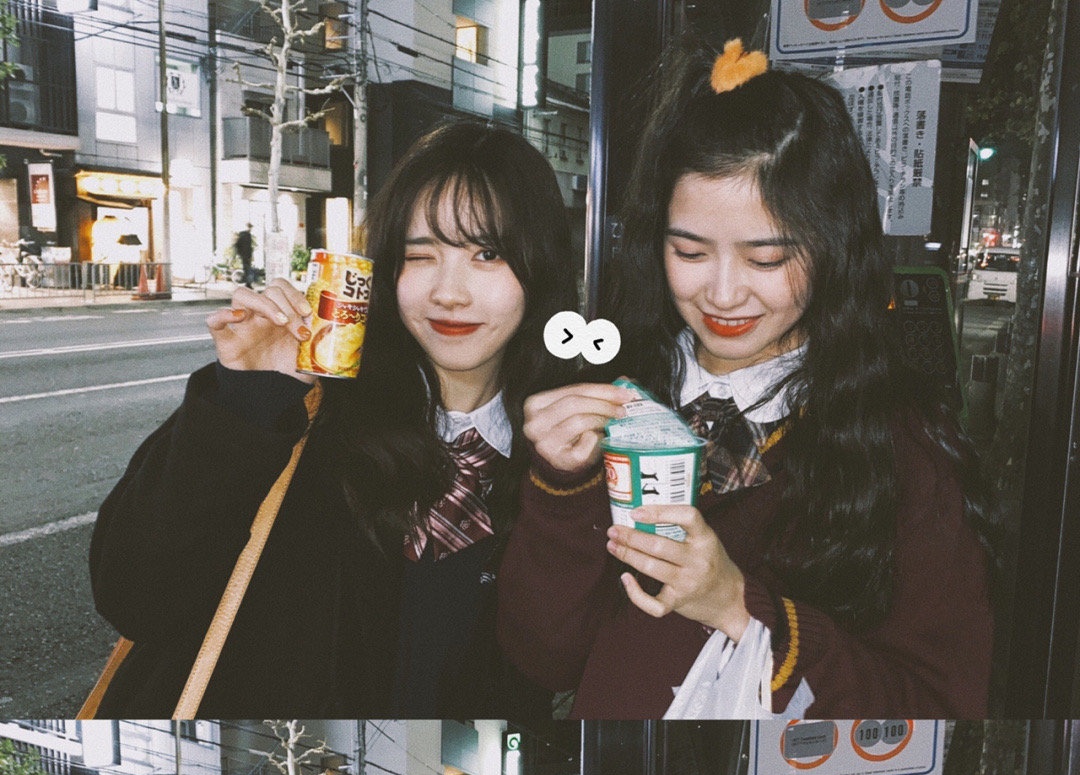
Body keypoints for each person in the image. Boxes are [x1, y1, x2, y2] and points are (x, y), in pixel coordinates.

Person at [497, 37, 994, 718]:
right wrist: (561, 488)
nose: (724, 294)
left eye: (767, 260)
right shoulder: (617, 393)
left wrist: (738, 606)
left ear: (832, 248)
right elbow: (543, 658)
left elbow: (943, 703)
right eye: (689, 251)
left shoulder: (904, 447)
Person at [88, 120, 577, 717]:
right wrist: (250, 396)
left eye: (487, 254)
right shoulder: (308, 414)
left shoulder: (561, 453)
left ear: (541, 266)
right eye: (420, 255)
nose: (449, 292)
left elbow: (556, 664)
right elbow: (134, 595)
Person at [235, 221, 256, 287]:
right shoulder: (245, 235)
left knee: (247, 269)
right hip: (245, 255)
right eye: (249, 227)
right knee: (247, 269)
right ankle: (247, 282)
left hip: (246, 255)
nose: (250, 229)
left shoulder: (246, 235)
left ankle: (247, 282)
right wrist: (241, 253)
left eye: (251, 227)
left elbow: (238, 245)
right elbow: (238, 244)